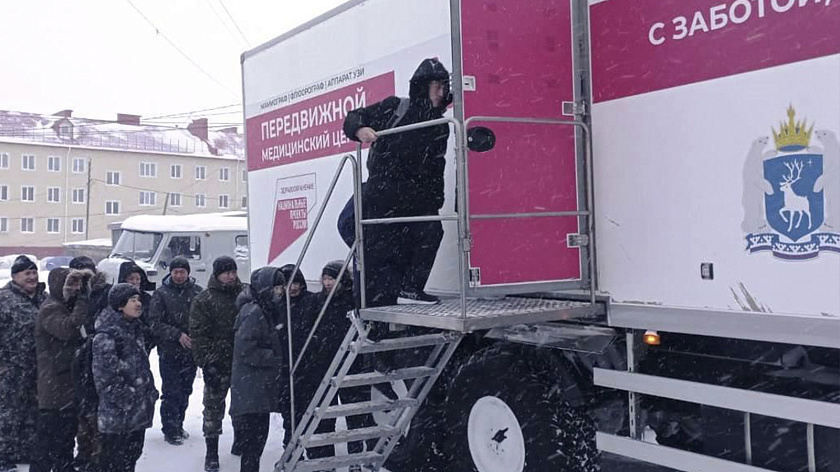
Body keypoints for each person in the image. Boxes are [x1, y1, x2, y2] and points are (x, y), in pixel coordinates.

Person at [342, 58, 453, 306]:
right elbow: (354, 117)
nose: (441, 92)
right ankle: (376, 312)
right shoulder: (395, 107)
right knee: (382, 255)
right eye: (436, 86)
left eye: (443, 86)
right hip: (385, 197)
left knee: (432, 233)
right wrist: (360, 130)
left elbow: (437, 166)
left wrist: (436, 200)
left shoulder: (440, 125)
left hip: (418, 198)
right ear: (422, 86)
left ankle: (411, 288)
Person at [92, 284, 159, 472]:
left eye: (138, 300)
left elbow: (141, 367)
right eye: (133, 300)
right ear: (120, 305)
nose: (139, 304)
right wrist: (127, 398)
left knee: (131, 457)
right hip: (117, 416)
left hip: (136, 412)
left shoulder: (135, 328)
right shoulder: (107, 335)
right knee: (114, 462)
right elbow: (105, 378)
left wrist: (149, 392)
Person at [31, 268, 92, 472]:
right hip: (54, 387)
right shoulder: (50, 308)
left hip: (66, 385)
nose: (76, 290)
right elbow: (67, 330)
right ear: (59, 285)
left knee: (65, 437)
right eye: (71, 285)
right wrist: (82, 303)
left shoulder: (63, 306)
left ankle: (63, 467)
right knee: (49, 439)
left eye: (78, 285)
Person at [190, 256, 244, 472]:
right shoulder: (204, 299)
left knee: (242, 406)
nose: (231, 276)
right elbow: (198, 334)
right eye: (226, 272)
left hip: (242, 362)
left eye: (233, 271)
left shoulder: (245, 293)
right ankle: (211, 451)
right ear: (217, 274)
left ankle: (240, 439)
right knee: (213, 409)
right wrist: (206, 363)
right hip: (217, 363)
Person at [229, 267, 285, 472]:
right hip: (251, 391)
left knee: (256, 445)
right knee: (253, 446)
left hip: (256, 391)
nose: (281, 292)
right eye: (277, 287)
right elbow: (245, 350)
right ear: (266, 288)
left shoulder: (264, 308)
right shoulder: (253, 312)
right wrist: (277, 357)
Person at [147, 257, 203, 445]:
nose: (179, 275)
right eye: (175, 272)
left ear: (188, 273)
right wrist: (176, 334)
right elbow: (154, 323)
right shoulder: (161, 294)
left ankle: (179, 423)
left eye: (182, 272)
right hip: (169, 351)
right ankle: (170, 428)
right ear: (170, 273)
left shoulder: (197, 292)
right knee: (171, 391)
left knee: (185, 390)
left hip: (190, 352)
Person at [0, 256, 45, 471]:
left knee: (32, 410)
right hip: (10, 369)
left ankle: (25, 449)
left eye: (34, 272)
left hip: (38, 368)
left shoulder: (44, 298)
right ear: (14, 276)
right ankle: (3, 455)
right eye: (26, 273)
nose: (32, 276)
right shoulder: (4, 299)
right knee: (8, 413)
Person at [68, 256, 109, 472]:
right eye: (78, 273)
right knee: (82, 409)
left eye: (87, 273)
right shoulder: (69, 295)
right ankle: (83, 451)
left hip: (99, 356)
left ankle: (97, 454)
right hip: (77, 359)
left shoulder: (105, 292)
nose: (83, 279)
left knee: (96, 409)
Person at [116, 261, 155, 353]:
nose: (135, 282)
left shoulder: (147, 299)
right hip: (121, 345)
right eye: (131, 278)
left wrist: (148, 339)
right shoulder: (116, 298)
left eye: (138, 279)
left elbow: (153, 321)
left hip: (143, 345)